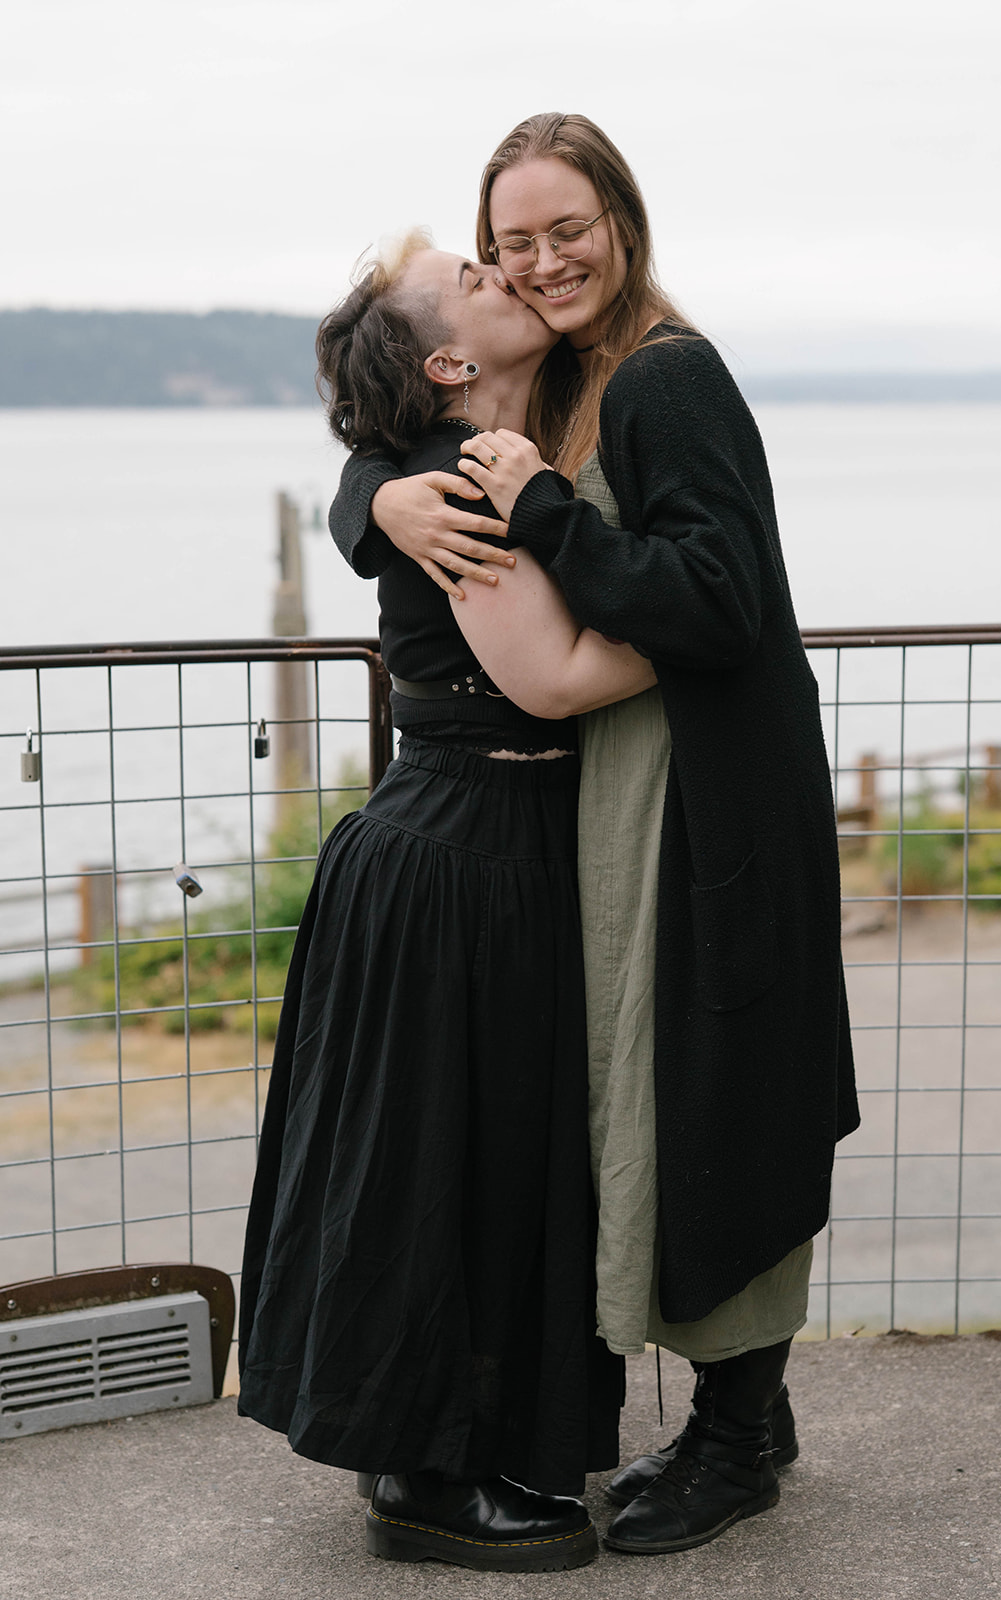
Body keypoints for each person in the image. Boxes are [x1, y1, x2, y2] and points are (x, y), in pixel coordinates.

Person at [328, 113, 859, 1559]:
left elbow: (712, 596)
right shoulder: (547, 370)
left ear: (620, 221)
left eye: (568, 229)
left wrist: (549, 513)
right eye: (512, 244)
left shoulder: (665, 377)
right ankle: (739, 1413)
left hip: (710, 800)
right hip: (618, 794)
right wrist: (373, 497)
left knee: (720, 1099)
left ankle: (739, 1436)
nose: (542, 261)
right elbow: (395, 413)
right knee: (647, 1108)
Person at [238, 229, 659, 1573]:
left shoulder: (459, 458)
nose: (503, 271)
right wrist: (719, 620)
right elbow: (550, 680)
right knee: (447, 1164)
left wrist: (362, 488)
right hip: (465, 843)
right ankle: (423, 1476)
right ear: (448, 357)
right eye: (474, 276)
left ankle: (460, 1450)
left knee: (479, 1156)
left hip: (478, 836)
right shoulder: (444, 478)